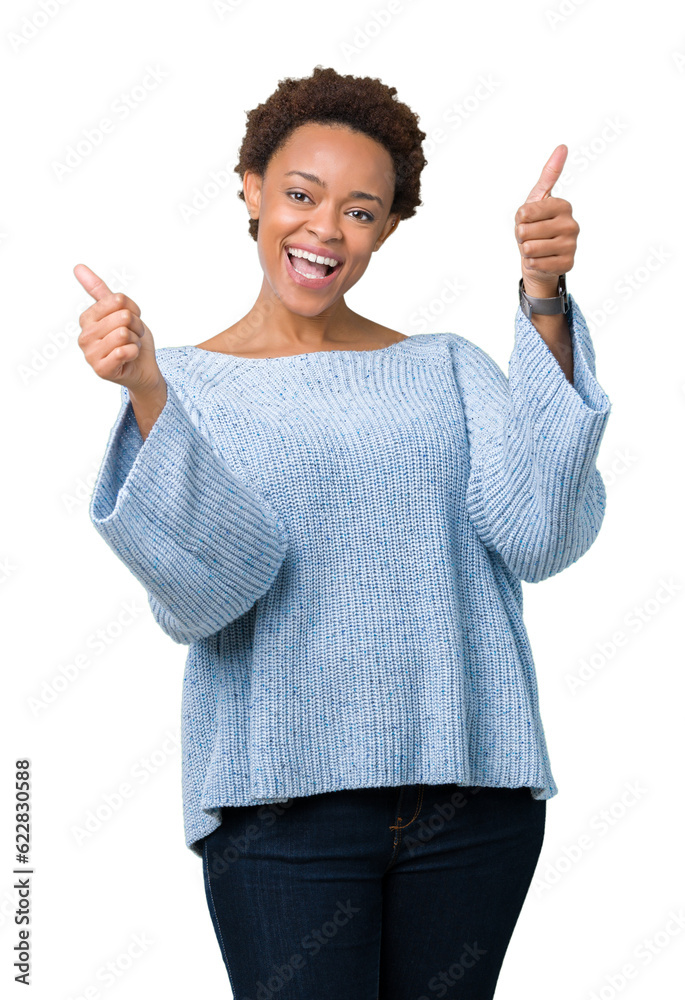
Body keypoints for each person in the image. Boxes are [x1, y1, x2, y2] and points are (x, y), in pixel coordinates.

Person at [76, 65, 611, 1000]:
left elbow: (541, 533)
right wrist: (150, 394)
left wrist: (542, 299)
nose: (325, 229)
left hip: (470, 797)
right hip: (280, 814)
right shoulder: (183, 386)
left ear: (391, 228)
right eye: (299, 194)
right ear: (250, 186)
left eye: (360, 211)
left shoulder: (444, 368)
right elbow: (206, 596)